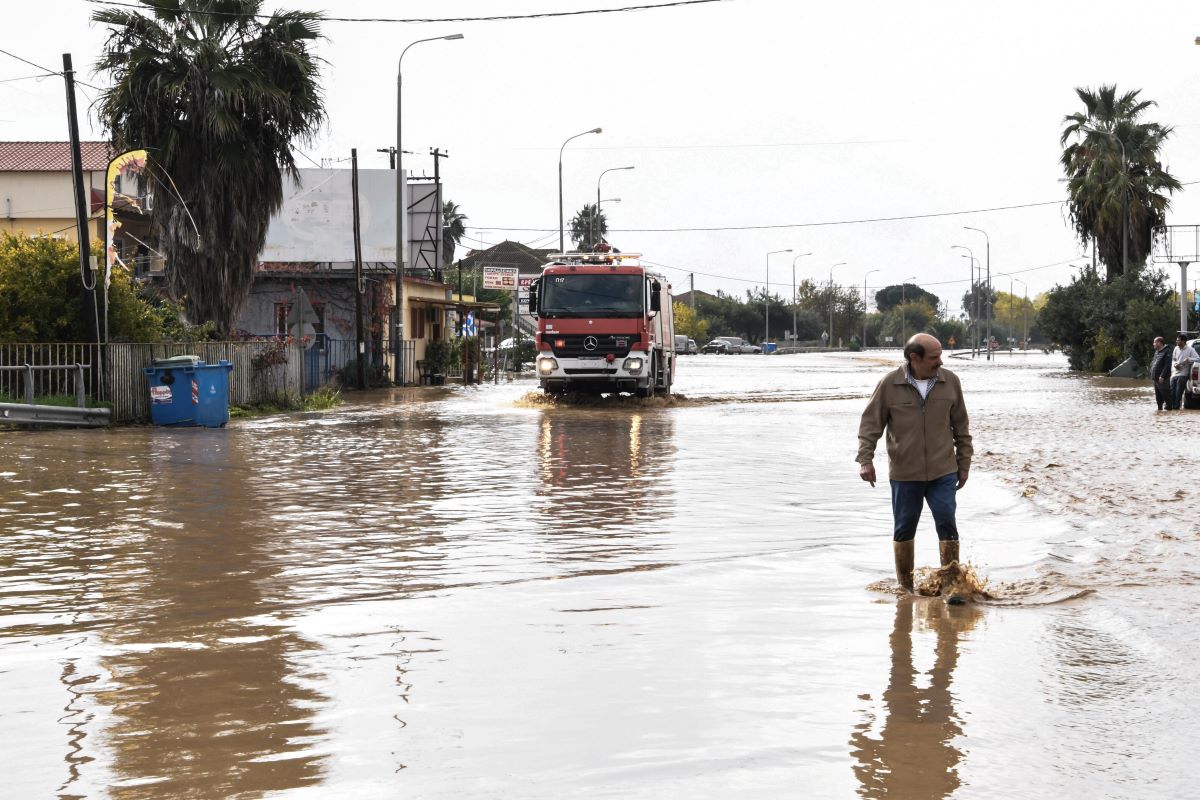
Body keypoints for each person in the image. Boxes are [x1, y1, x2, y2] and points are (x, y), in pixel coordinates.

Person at [857, 333, 973, 597]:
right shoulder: (889, 384)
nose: (940, 362)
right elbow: (870, 425)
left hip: (943, 470)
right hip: (905, 474)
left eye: (941, 355)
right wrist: (866, 460)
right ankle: (906, 589)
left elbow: (962, 427)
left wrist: (964, 463)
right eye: (934, 357)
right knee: (904, 528)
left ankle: (951, 587)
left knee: (946, 521)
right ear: (914, 358)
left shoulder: (950, 382)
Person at [1170, 334, 1198, 411]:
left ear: (1183, 341)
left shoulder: (1190, 349)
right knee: (1172, 392)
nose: (1176, 341)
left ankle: (1176, 408)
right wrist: (1175, 364)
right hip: (1174, 373)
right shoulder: (1176, 348)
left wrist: (1188, 359)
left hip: (1183, 374)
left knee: (1178, 393)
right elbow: (1173, 359)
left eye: (1178, 340)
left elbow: (1197, 358)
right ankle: (1172, 408)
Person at [1150, 336, 1172, 410]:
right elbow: (1154, 363)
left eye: (1154, 342)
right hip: (1155, 378)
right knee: (1158, 397)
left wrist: (1162, 376)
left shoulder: (1167, 351)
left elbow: (1167, 365)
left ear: (1159, 343)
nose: (1153, 344)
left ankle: (1170, 411)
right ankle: (1160, 411)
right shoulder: (1157, 352)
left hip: (1162, 379)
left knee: (1166, 395)